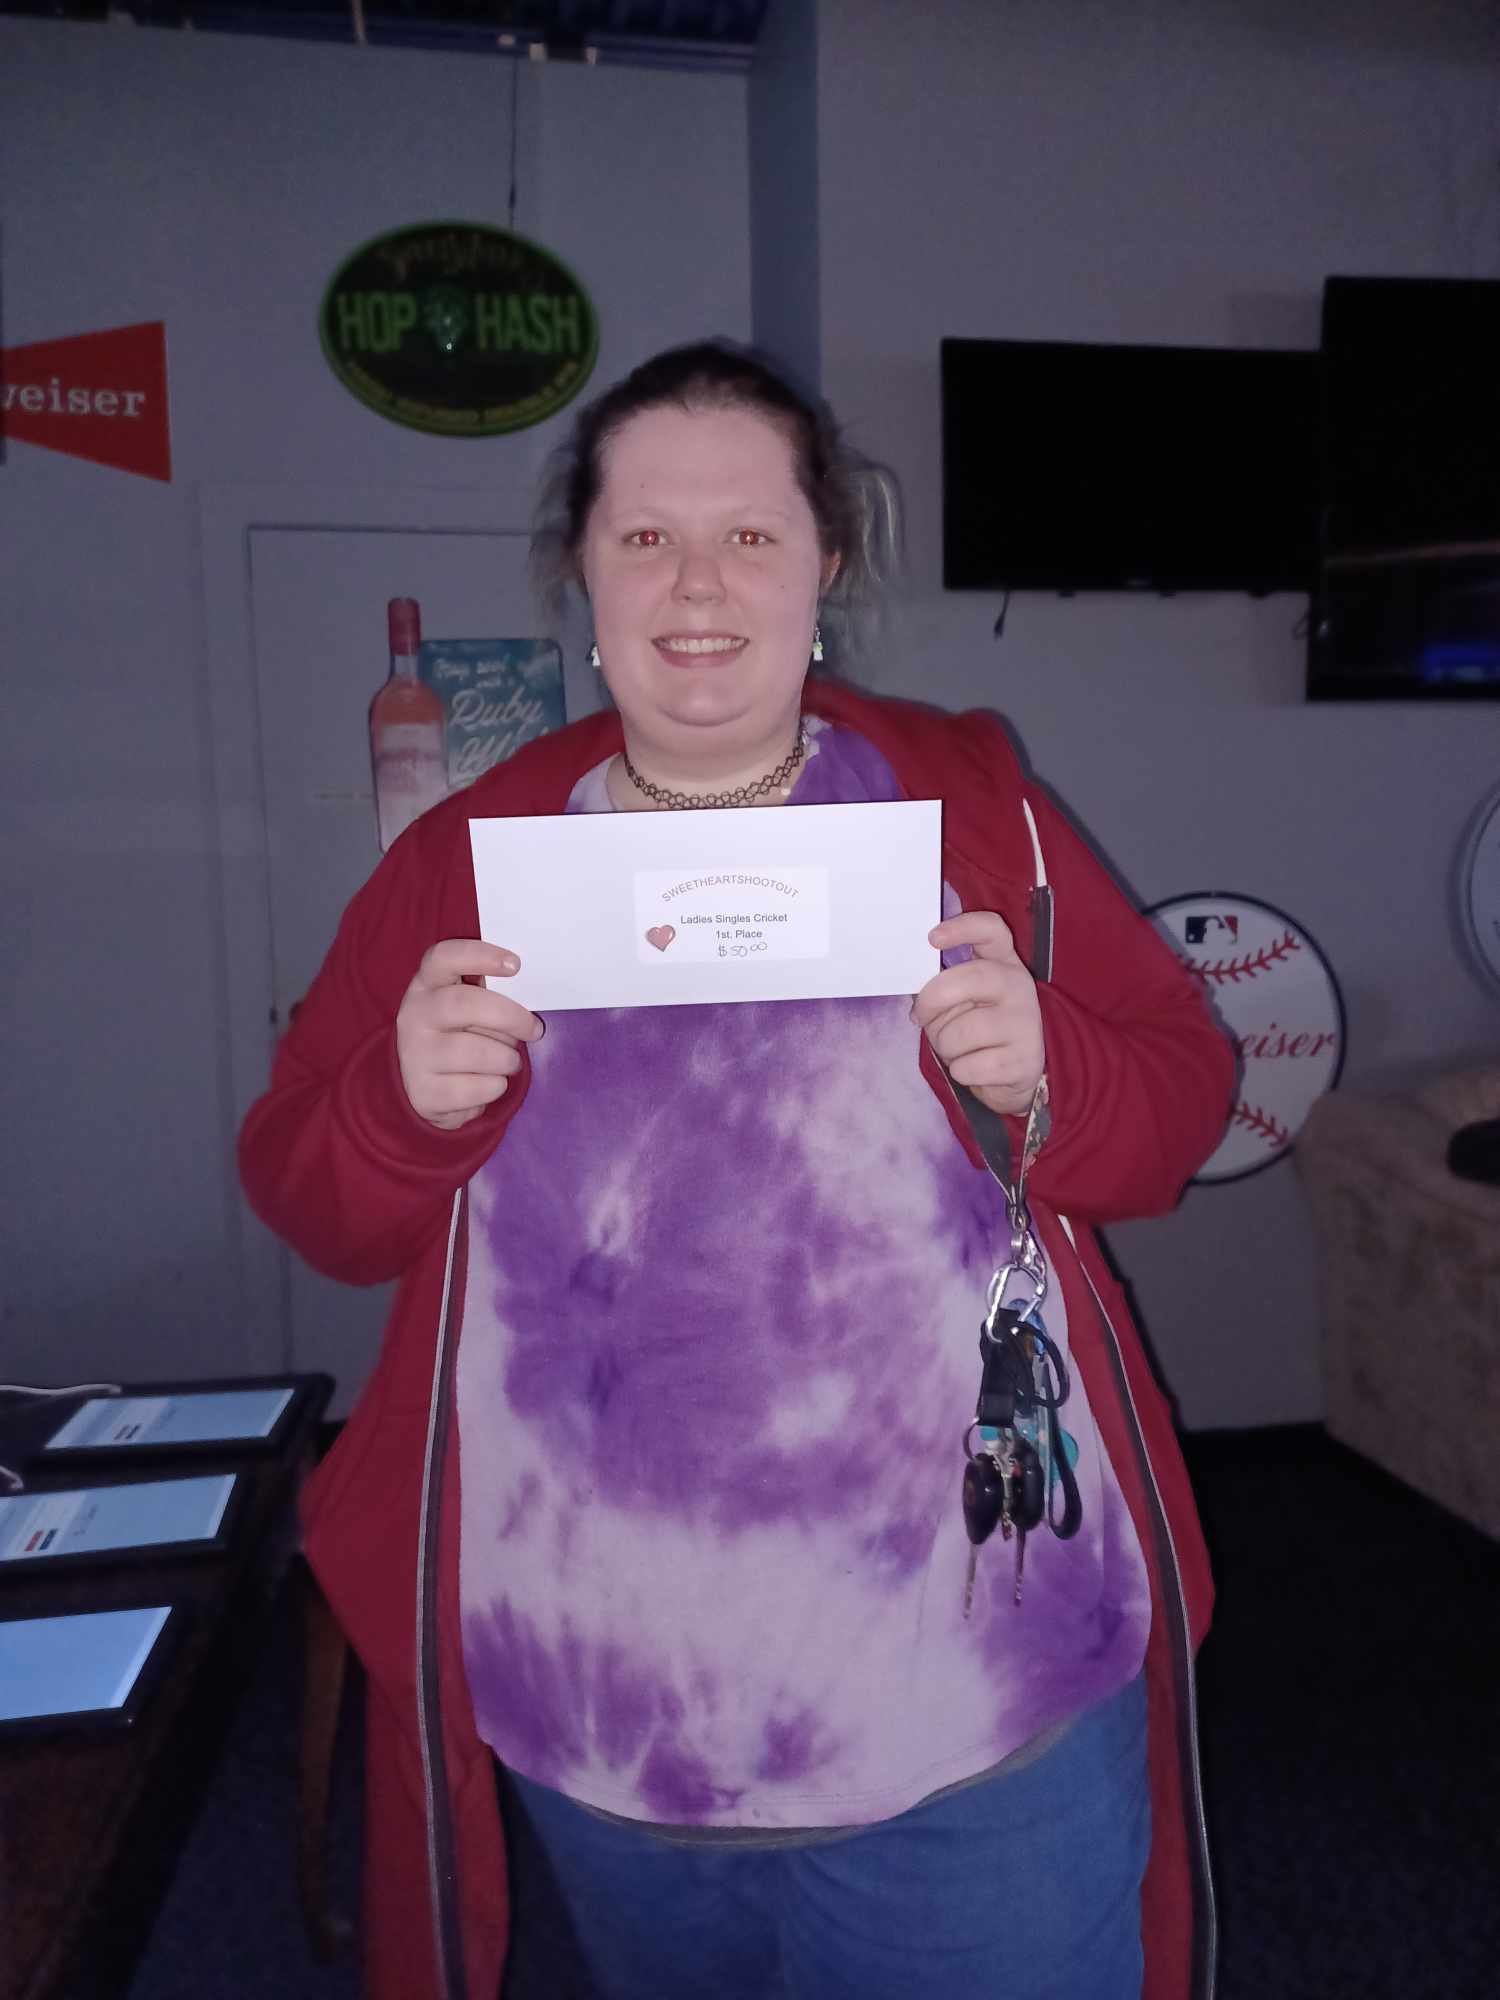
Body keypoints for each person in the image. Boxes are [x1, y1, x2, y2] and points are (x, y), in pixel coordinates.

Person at [239, 341, 1234, 2000]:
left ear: (824, 561)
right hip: (608, 1722)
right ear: (584, 570)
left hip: (976, 1703)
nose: (697, 585)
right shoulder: (465, 861)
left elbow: (1181, 1103)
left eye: (750, 535)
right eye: (646, 537)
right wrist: (397, 1107)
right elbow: (305, 1193)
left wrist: (1057, 1066)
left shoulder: (969, 805)